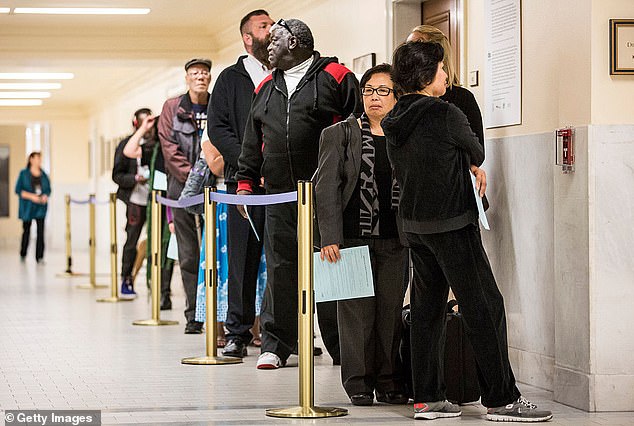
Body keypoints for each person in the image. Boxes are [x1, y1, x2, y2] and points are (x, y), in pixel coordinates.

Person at [382, 41, 552, 422]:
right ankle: (501, 399)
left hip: (415, 226)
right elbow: (475, 151)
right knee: (485, 306)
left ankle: (428, 398)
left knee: (427, 311)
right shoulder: (446, 113)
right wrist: (467, 162)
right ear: (427, 77)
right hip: (453, 223)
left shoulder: (393, 121)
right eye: (441, 70)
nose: (446, 76)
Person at [236, 18, 362, 369]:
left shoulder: (336, 76)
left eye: (274, 38)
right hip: (280, 196)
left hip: (328, 195)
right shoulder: (265, 87)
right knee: (281, 267)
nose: (267, 44)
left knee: (332, 266)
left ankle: (342, 347)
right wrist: (245, 183)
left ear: (294, 42)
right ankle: (277, 345)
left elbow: (358, 127)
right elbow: (252, 140)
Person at [315, 64, 407, 406]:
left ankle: (388, 380)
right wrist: (329, 237)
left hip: (396, 237)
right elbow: (326, 188)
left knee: (389, 312)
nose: (374, 97)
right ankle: (357, 382)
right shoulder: (340, 133)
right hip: (351, 238)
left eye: (383, 91)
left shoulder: (403, 135)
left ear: (397, 97)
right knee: (355, 315)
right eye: (369, 90)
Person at [207, 9, 273, 358]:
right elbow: (217, 129)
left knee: (282, 260)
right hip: (241, 184)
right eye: (264, 26)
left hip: (281, 185)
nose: (272, 29)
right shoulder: (230, 79)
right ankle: (237, 333)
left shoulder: (285, 74)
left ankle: (281, 335)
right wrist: (249, 166)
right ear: (248, 38)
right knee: (243, 260)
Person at [159, 58, 212, 334]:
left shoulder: (218, 104)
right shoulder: (172, 107)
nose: (200, 77)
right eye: (195, 73)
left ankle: (218, 314)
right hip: (181, 189)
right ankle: (194, 314)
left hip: (214, 186)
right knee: (189, 254)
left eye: (204, 73)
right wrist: (193, 175)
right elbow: (168, 147)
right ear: (187, 78)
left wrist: (209, 173)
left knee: (214, 252)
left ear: (209, 78)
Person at [123, 114, 175, 310]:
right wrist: (144, 128)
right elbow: (129, 150)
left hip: (175, 198)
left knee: (170, 246)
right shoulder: (152, 146)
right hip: (156, 201)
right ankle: (159, 290)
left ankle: (166, 291)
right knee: (155, 245)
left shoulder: (179, 144)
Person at [112, 108, 154, 299]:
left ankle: (154, 281)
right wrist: (135, 178)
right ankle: (126, 278)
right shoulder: (125, 145)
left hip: (155, 198)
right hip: (135, 200)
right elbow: (117, 175)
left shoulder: (156, 144)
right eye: (143, 122)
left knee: (154, 240)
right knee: (132, 240)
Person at [15, 151, 51, 263]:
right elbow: (18, 190)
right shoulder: (23, 174)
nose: (39, 161)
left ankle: (39, 257)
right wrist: (32, 197)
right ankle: (23, 253)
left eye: (40, 159)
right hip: (28, 207)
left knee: (40, 232)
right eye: (37, 158)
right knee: (26, 231)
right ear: (31, 159)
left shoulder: (44, 174)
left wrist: (45, 196)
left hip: (40, 207)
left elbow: (48, 189)